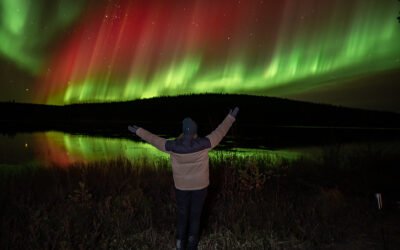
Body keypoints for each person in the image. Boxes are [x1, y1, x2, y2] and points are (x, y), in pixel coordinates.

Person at [128, 107, 239, 250]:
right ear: (194, 132)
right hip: (200, 187)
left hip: (181, 188)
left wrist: (139, 131)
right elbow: (220, 131)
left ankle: (180, 244)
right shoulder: (206, 143)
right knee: (195, 216)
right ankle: (192, 246)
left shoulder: (172, 146)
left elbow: (154, 139)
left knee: (182, 215)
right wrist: (230, 117)